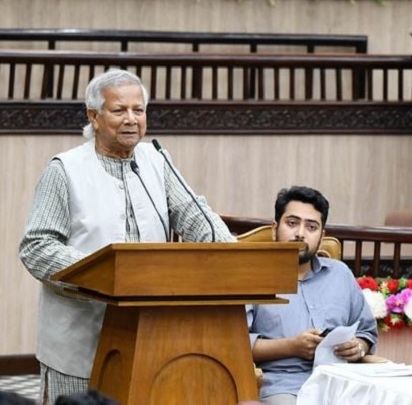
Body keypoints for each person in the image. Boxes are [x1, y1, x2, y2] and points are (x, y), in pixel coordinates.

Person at [18, 69, 235, 404]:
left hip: (149, 332)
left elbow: (194, 215)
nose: (132, 119)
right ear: (94, 116)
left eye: (139, 110)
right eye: (120, 110)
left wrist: (233, 258)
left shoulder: (156, 159)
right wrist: (103, 272)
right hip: (81, 335)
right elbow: (37, 247)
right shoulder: (64, 169)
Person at [246, 186, 377, 405]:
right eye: (292, 223)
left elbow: (367, 332)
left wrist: (359, 346)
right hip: (284, 385)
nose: (300, 233)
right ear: (275, 229)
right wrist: (292, 346)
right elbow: (237, 344)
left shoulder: (339, 274)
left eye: (311, 227)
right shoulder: (251, 277)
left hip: (342, 383)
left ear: (321, 236)